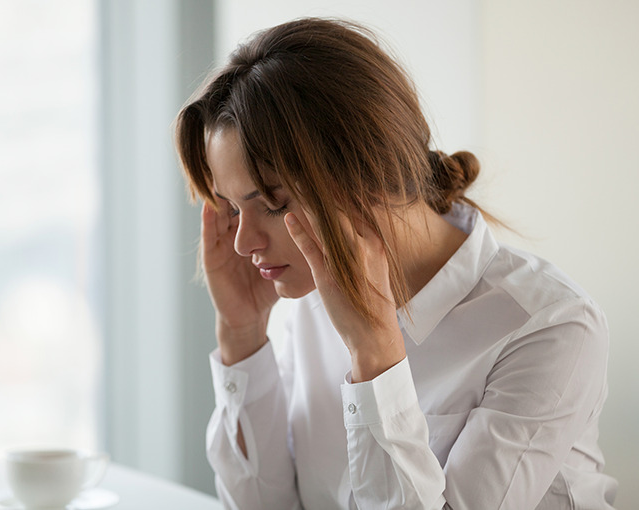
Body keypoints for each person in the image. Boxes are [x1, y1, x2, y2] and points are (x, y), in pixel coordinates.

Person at [174, 17, 617, 510]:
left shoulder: (551, 327)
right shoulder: (309, 297)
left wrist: (375, 356)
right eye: (232, 208)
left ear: (370, 170)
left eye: (273, 203)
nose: (241, 242)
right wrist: (242, 334)